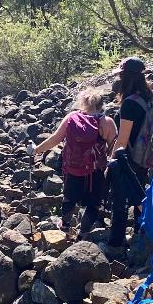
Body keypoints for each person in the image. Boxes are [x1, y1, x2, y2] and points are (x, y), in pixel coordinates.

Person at [35, 90, 118, 236]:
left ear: (83, 103)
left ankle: (65, 225)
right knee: (94, 204)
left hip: (73, 167)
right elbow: (114, 149)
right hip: (96, 170)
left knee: (69, 197)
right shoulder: (107, 122)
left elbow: (55, 139)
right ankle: (83, 233)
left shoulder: (71, 118)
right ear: (101, 105)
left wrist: (37, 150)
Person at [104, 58, 153, 259]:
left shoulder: (129, 104)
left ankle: (115, 245)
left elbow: (122, 139)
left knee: (120, 202)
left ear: (125, 77)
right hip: (149, 157)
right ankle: (141, 237)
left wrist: (109, 162)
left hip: (129, 160)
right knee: (142, 195)